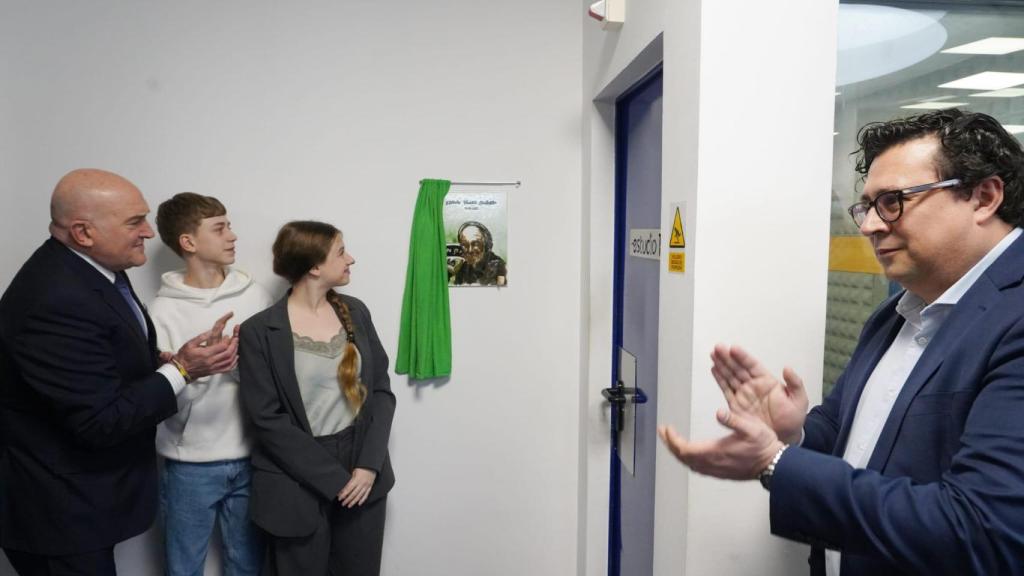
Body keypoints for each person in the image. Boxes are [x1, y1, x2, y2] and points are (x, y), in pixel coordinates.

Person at [658, 109, 1024, 575]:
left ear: (983, 196)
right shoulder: (895, 314)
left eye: (893, 201)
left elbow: (984, 532)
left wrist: (775, 462)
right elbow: (851, 432)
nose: (870, 225)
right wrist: (796, 434)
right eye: (866, 207)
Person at [0, 169, 239, 575]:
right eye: (134, 222)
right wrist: (182, 369)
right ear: (83, 232)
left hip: (86, 500)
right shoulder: (53, 299)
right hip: (57, 512)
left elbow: (103, 355)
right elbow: (99, 420)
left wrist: (162, 361)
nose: (148, 232)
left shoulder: (98, 267)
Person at [239, 221, 395, 575]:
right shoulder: (259, 332)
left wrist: (368, 466)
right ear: (313, 266)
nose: (351, 259)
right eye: (341, 251)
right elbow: (267, 419)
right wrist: (335, 480)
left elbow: (382, 392)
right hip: (295, 480)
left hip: (362, 470)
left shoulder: (356, 311)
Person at [149, 192, 273, 576]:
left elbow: (276, 377)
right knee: (184, 568)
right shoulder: (160, 311)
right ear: (188, 242)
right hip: (188, 466)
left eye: (229, 225)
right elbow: (156, 395)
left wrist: (238, 365)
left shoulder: (256, 296)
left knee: (248, 566)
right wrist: (193, 368)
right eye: (219, 229)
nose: (232, 236)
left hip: (254, 458)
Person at [450, 221, 507, 286]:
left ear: (487, 245)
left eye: (475, 243)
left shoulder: (499, 267)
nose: (470, 250)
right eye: (464, 244)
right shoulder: (462, 268)